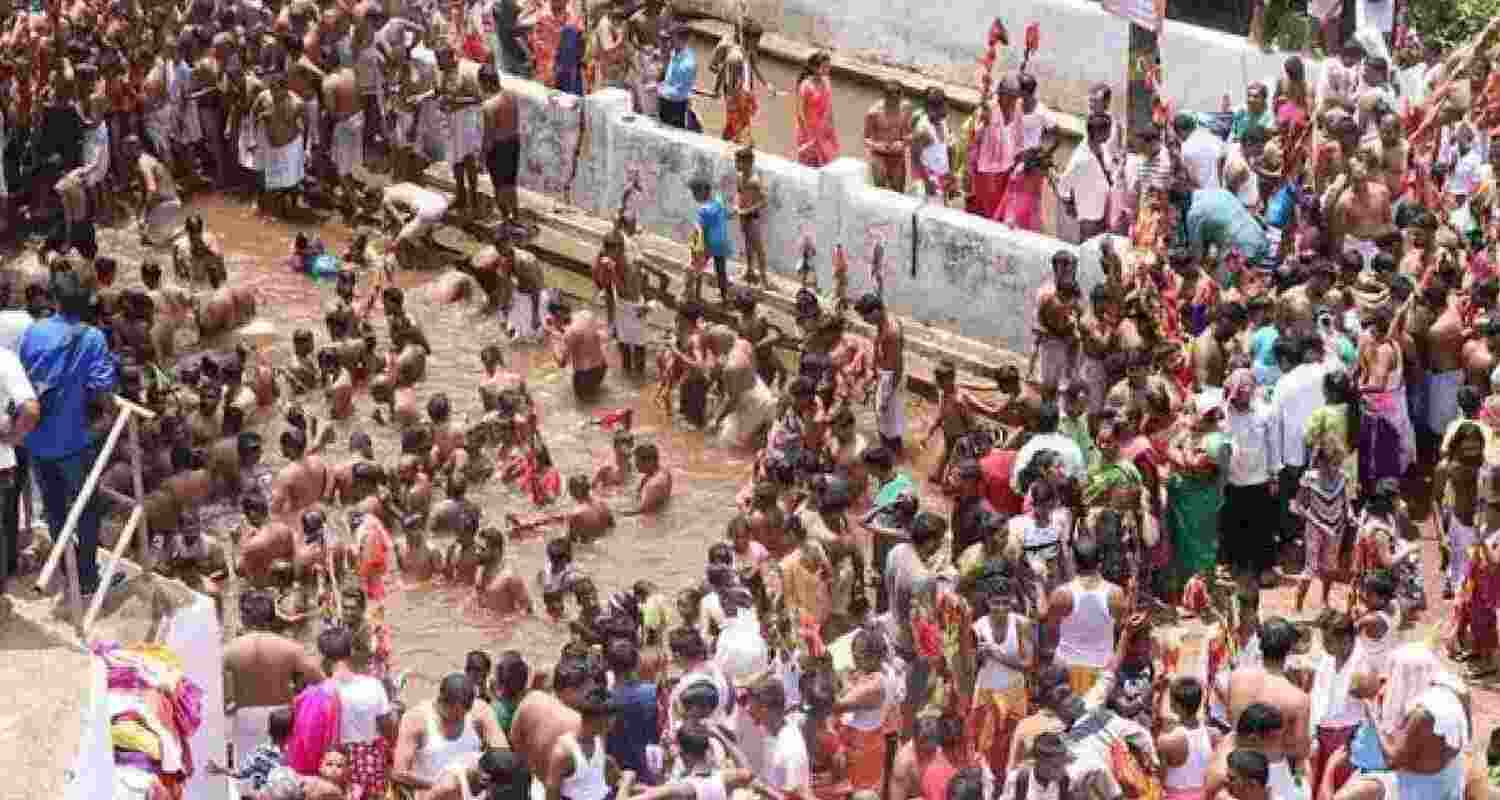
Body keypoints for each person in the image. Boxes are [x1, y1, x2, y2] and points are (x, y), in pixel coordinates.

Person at [20, 270, 118, 601]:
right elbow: (103, 388)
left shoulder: (33, 332)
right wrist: (106, 418)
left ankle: (67, 565)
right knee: (87, 507)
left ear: (54, 301)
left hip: (36, 439)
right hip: (74, 442)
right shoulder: (93, 338)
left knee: (54, 508)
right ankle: (88, 575)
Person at [391, 673, 508, 796]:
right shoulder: (416, 719)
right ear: (441, 701)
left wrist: (486, 772)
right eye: (454, 714)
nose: (459, 718)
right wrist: (442, 786)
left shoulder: (480, 711)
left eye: (463, 714)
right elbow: (399, 773)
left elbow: (502, 753)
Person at [795, 50, 838, 168]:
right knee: (808, 163)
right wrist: (807, 133)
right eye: (824, 67)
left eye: (828, 67)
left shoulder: (827, 82)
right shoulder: (806, 85)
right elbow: (800, 113)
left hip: (824, 130)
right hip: (808, 130)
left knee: (826, 163)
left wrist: (831, 127)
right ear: (814, 68)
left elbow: (829, 106)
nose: (827, 70)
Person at [865, 80, 910, 192]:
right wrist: (877, 146)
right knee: (880, 191)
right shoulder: (873, 113)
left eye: (898, 101)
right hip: (879, 156)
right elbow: (866, 138)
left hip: (898, 156)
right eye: (893, 102)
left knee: (898, 192)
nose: (896, 104)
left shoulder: (906, 109)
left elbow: (908, 133)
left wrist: (903, 143)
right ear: (886, 98)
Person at [657, 26, 696, 130]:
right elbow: (668, 76)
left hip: (675, 104)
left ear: (682, 40)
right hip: (665, 99)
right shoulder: (674, 51)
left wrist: (659, 90)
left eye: (672, 39)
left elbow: (680, 90)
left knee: (674, 132)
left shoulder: (688, 64)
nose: (669, 42)